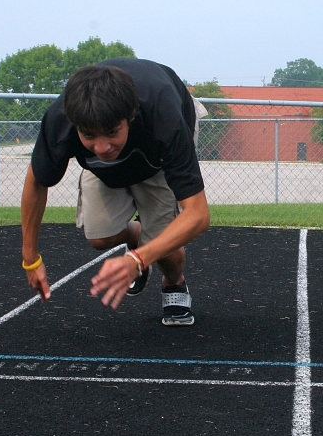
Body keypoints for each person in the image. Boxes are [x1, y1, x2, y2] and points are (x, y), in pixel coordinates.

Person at [20, 58, 210, 326]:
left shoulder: (163, 114)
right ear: (75, 125)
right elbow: (37, 181)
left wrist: (138, 260)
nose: (101, 147)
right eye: (89, 135)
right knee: (100, 236)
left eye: (111, 132)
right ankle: (138, 236)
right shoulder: (61, 119)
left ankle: (174, 283)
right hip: (104, 171)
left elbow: (198, 214)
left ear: (131, 114)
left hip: (157, 160)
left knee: (164, 245)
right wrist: (30, 258)